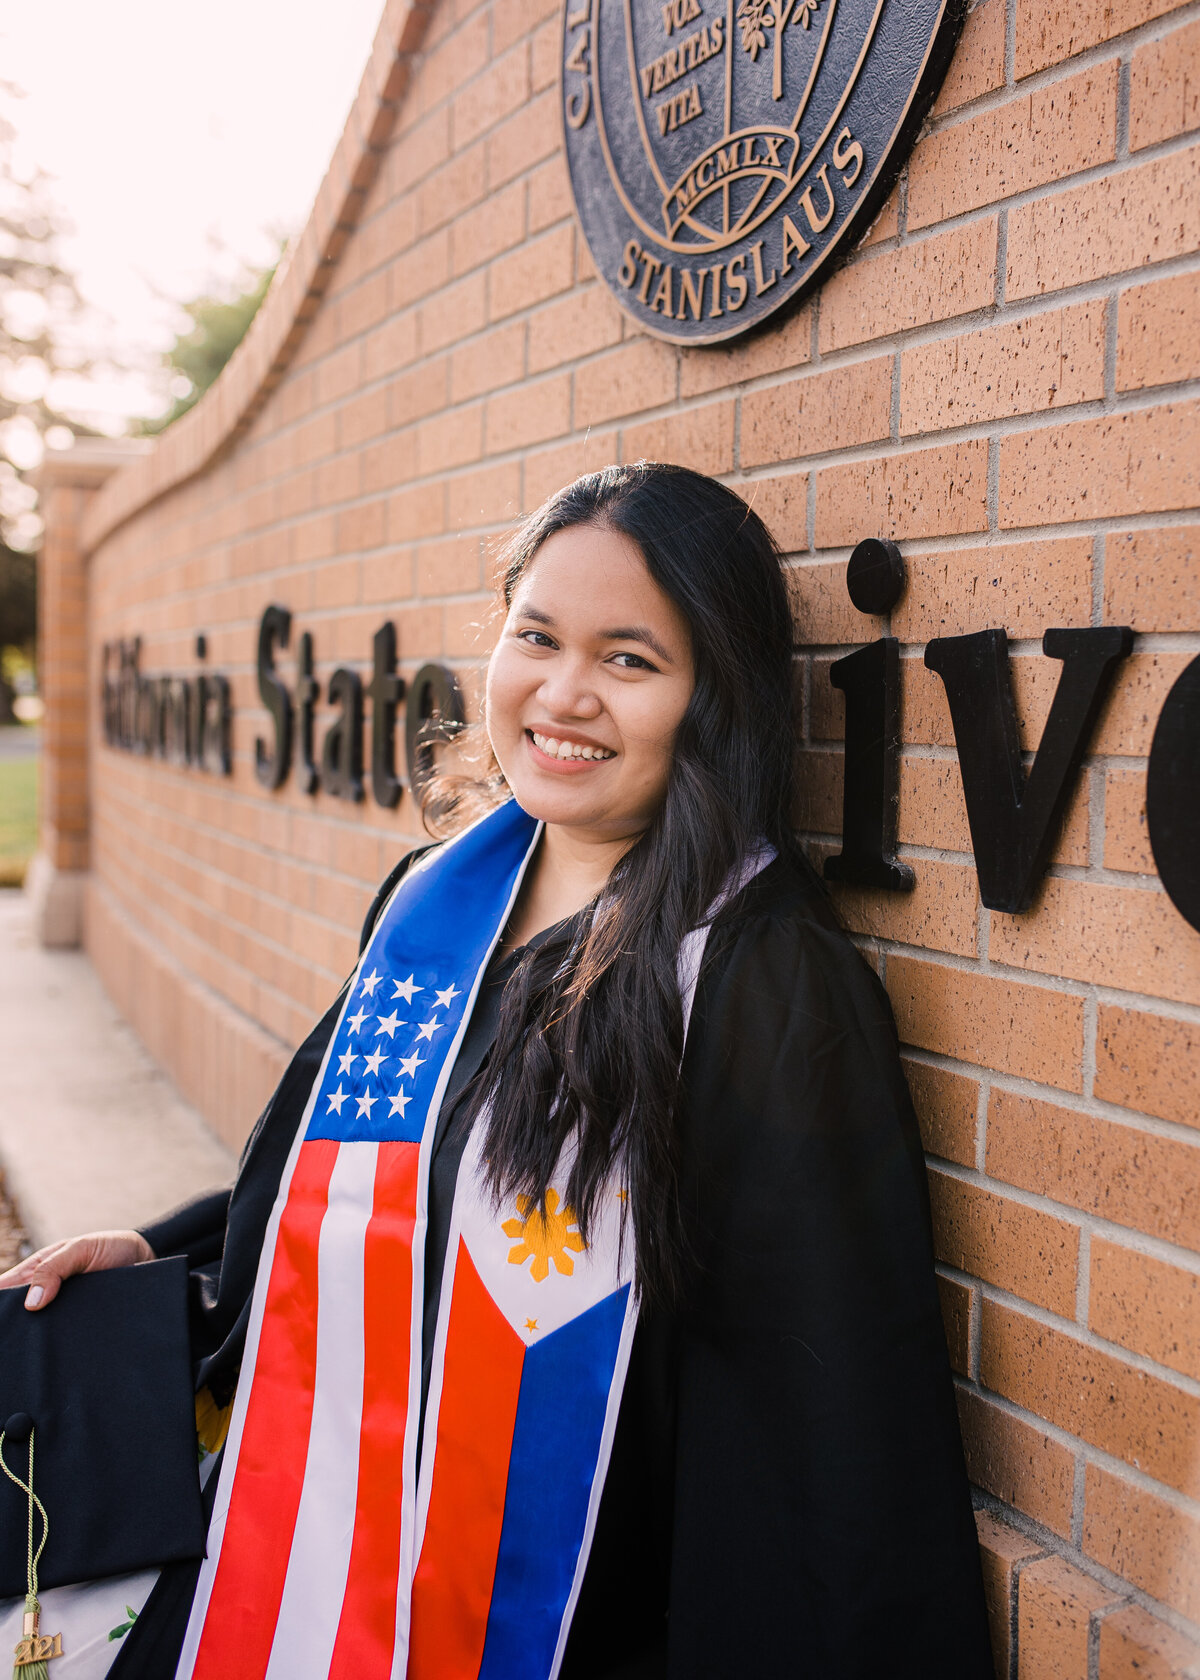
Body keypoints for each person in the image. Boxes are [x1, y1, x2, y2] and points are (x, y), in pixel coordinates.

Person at [0, 463, 994, 1679]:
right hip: (307, 1569)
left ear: (712, 697)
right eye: (537, 637)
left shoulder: (756, 984)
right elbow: (371, 1200)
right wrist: (176, 1260)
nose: (564, 694)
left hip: (556, 1622)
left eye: (630, 660)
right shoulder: (440, 905)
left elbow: (821, 1430)